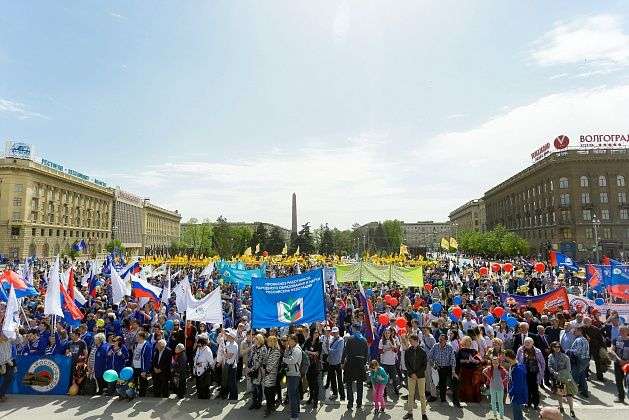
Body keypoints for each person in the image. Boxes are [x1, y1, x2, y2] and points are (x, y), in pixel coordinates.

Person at [427, 333, 459, 407]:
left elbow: (453, 360)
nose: (440, 341)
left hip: (447, 368)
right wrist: (433, 364)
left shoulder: (449, 347)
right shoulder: (435, 346)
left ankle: (452, 400)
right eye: (439, 339)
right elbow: (429, 356)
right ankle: (439, 398)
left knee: (448, 384)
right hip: (438, 368)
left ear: (446, 340)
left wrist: (453, 371)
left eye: (442, 339)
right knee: (438, 383)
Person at [342, 325, 369, 411]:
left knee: (349, 383)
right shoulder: (364, 340)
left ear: (354, 329)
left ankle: (350, 403)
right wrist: (364, 363)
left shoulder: (350, 339)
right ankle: (359, 403)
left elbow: (345, 351)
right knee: (360, 384)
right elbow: (366, 354)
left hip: (351, 363)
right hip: (360, 364)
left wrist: (343, 362)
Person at [547, 341, 576, 417]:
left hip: (565, 378)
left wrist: (561, 374)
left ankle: (571, 410)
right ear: (552, 348)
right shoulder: (550, 356)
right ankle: (561, 407)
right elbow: (549, 366)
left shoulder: (565, 356)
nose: (557, 348)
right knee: (559, 394)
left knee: (569, 394)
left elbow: (569, 369)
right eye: (555, 347)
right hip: (556, 378)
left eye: (558, 347)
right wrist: (554, 372)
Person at [403, 334, 428, 420]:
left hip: (420, 376)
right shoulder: (407, 351)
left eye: (411, 341)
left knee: (422, 395)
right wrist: (412, 373)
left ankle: (424, 413)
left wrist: (416, 374)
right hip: (411, 375)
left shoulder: (423, 351)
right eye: (410, 341)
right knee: (411, 394)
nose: (410, 342)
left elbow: (424, 365)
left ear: (416, 341)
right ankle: (410, 412)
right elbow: (407, 364)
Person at [516, 337, 544, 410]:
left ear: (532, 343)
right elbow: (517, 360)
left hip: (534, 373)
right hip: (524, 372)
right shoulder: (520, 350)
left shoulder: (537, 351)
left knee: (534, 389)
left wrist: (542, 373)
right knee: (526, 388)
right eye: (525, 342)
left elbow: (542, 363)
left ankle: (536, 404)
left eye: (529, 342)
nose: (527, 344)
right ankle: (527, 403)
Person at [457, 335, 483, 402]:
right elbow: (458, 361)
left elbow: (479, 360)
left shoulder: (474, 351)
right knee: (465, 386)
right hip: (464, 370)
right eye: (466, 341)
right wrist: (466, 361)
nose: (468, 342)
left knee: (473, 385)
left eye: (469, 341)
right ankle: (466, 399)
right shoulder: (461, 351)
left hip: (473, 370)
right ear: (464, 342)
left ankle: (474, 399)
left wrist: (476, 361)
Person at [283, 334, 302, 420]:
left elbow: (293, 360)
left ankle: (294, 416)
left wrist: (284, 360)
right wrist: (286, 349)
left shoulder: (297, 349)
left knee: (292, 396)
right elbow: (287, 355)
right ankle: (296, 411)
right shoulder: (292, 348)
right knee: (295, 394)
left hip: (294, 375)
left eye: (289, 340)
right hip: (291, 374)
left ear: (294, 340)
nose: (288, 342)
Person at [609, 325, 629, 404]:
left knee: (627, 381)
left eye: (623, 331)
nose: (621, 332)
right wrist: (618, 359)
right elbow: (612, 350)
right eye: (620, 331)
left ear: (627, 332)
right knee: (618, 380)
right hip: (618, 363)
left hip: (628, 364)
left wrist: (626, 361)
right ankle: (621, 397)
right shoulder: (616, 340)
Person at [505, 349, 528, 420]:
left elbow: (517, 385)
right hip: (516, 393)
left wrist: (510, 393)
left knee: (517, 414)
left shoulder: (518, 369)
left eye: (505, 357)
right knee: (518, 413)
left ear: (508, 357)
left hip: (517, 395)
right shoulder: (515, 365)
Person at [568, 326, 590, 398]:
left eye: (576, 331)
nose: (574, 332)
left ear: (580, 331)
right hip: (584, 360)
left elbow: (578, 351)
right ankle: (584, 392)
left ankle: (571, 392)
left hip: (579, 360)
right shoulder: (583, 339)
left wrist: (568, 350)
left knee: (574, 377)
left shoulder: (579, 340)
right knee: (581, 376)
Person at [263, 335, 282, 417]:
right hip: (267, 373)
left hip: (271, 374)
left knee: (269, 391)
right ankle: (271, 405)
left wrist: (266, 370)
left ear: (273, 342)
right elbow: (265, 360)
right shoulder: (270, 349)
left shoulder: (277, 351)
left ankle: (269, 408)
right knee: (268, 391)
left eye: (269, 341)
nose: (267, 342)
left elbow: (272, 363)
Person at [379, 328, 401, 398]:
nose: (387, 334)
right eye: (386, 333)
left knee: (394, 378)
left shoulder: (393, 340)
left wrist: (392, 346)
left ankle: (396, 390)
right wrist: (385, 349)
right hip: (384, 363)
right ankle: (384, 392)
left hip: (392, 363)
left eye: (388, 333)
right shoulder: (381, 341)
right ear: (384, 334)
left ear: (390, 334)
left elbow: (395, 350)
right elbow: (380, 351)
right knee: (384, 379)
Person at [303, 329, 322, 409]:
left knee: (316, 385)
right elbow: (304, 350)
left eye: (317, 333)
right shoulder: (308, 340)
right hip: (308, 365)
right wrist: (312, 353)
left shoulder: (319, 342)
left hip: (315, 366)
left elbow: (318, 353)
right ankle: (311, 397)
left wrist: (309, 352)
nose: (316, 334)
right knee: (310, 383)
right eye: (315, 332)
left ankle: (315, 400)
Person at [248, 334, 268, 410]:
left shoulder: (263, 348)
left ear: (259, 340)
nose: (254, 340)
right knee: (253, 388)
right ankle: (254, 402)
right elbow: (251, 357)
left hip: (258, 371)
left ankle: (258, 403)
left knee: (258, 388)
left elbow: (259, 362)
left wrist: (252, 369)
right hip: (253, 370)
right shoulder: (254, 347)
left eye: (255, 339)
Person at [132, 331, 153, 397]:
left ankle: (142, 396)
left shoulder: (147, 345)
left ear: (141, 337)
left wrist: (145, 370)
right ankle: (134, 394)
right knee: (134, 382)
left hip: (142, 368)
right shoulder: (136, 344)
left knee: (142, 382)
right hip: (135, 366)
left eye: (137, 336)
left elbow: (148, 359)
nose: (136, 338)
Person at [193, 334, 214, 399]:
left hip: (204, 373)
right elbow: (196, 357)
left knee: (204, 387)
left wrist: (202, 364)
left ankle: (205, 399)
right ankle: (200, 398)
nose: (198, 345)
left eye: (200, 344)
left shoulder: (208, 351)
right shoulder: (199, 349)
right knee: (199, 386)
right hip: (197, 371)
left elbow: (211, 362)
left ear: (203, 343)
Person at [327, 326, 345, 401]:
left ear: (338, 332)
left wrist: (329, 350)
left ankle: (342, 395)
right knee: (333, 379)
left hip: (337, 362)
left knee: (339, 380)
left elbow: (338, 350)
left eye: (336, 332)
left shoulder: (341, 340)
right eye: (333, 332)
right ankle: (335, 394)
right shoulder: (331, 339)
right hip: (331, 362)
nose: (334, 333)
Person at [0, 334, 16, 403]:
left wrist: (17, 333)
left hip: (9, 362)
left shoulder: (10, 339)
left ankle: (1, 394)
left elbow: (20, 342)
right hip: (2, 363)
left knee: (9, 379)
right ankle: (1, 395)